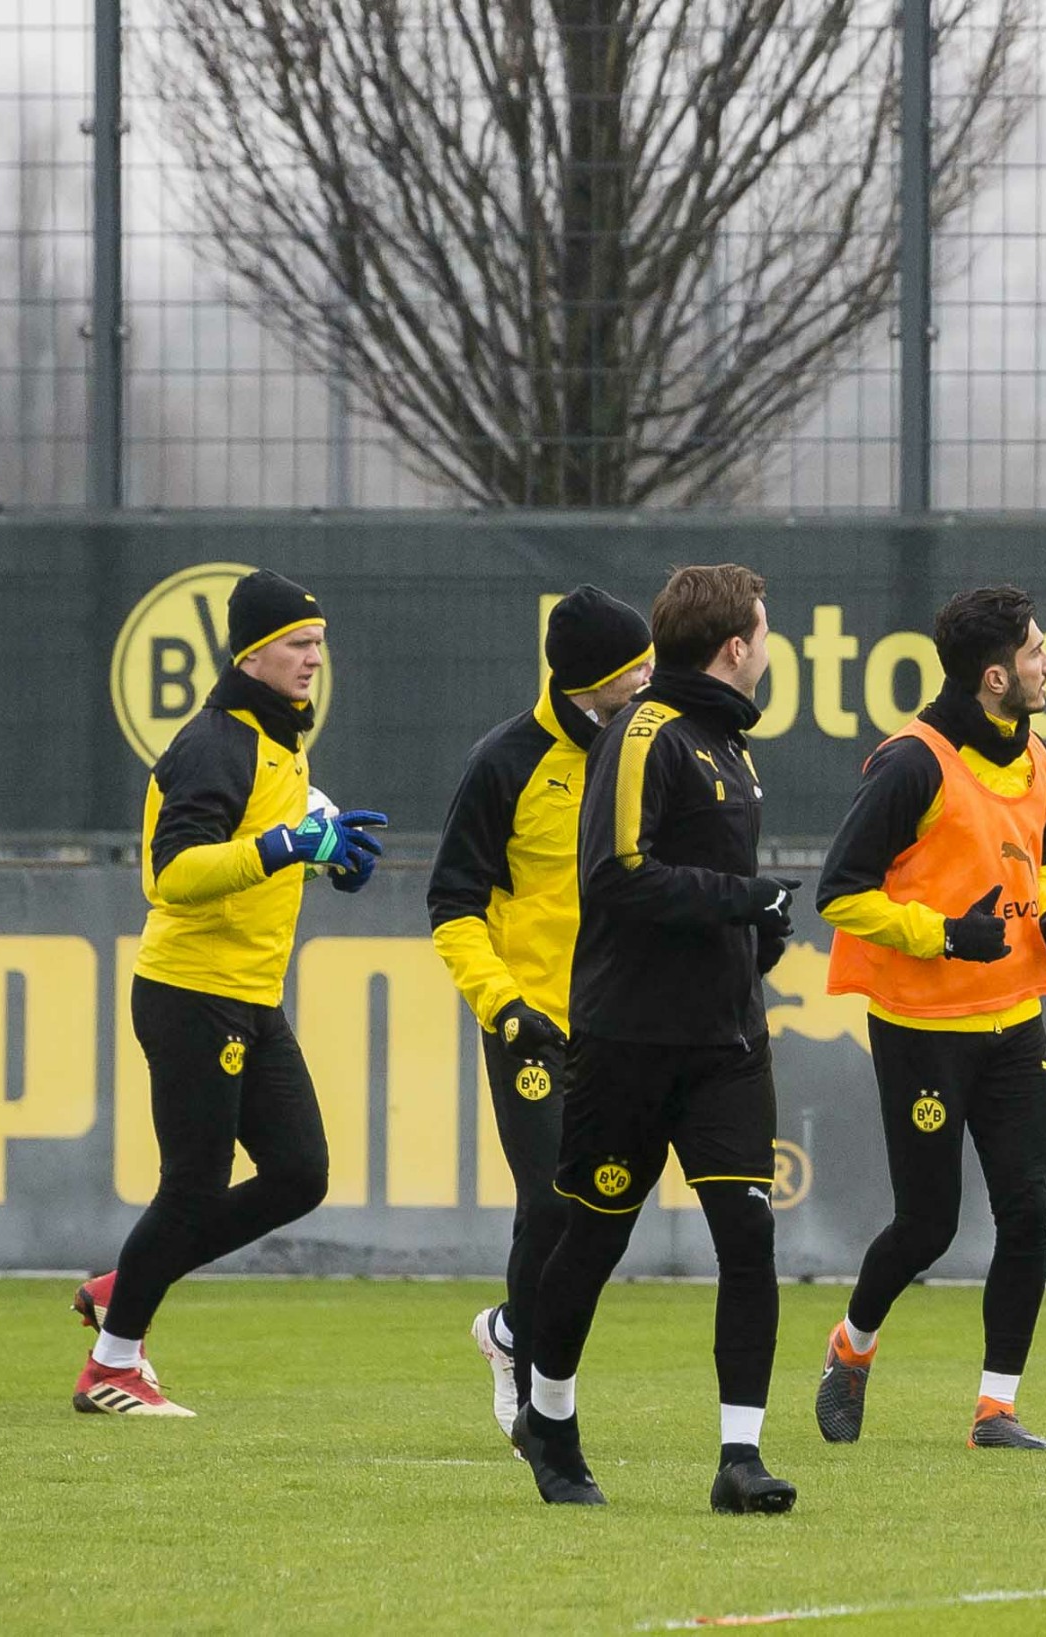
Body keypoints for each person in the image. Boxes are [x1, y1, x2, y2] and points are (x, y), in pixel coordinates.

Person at [513, 564, 800, 1513]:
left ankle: (740, 1458)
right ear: (735, 646)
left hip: (726, 1043)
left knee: (747, 1234)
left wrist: (757, 935)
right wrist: (744, 898)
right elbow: (618, 874)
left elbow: (709, 889)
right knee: (591, 1239)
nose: (771, 648)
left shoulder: (729, 744)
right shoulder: (646, 733)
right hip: (627, 1042)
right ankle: (550, 1422)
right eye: (765, 632)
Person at [69, 570, 385, 1417]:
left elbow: (256, 852)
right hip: (190, 989)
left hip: (248, 993)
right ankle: (112, 1364)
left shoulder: (277, 739)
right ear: (250, 655)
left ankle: (126, 1284)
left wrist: (323, 858)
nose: (313, 657)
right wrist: (286, 845)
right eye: (297, 644)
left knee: (300, 1172)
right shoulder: (218, 741)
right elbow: (171, 874)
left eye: (319, 642)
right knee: (194, 1187)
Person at [811, 585, 1046, 1454]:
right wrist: (942, 935)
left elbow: (1034, 862)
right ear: (995, 676)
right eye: (1038, 651)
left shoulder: (1038, 758)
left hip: (1015, 1024)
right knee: (927, 1226)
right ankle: (852, 1345)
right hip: (922, 1028)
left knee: (1028, 1214)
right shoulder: (911, 763)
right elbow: (839, 893)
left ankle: (995, 1410)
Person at [427, 586, 654, 1444]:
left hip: (622, 1024)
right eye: (635, 671)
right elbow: (452, 905)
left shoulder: (653, 752)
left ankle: (511, 1330)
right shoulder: (504, 762)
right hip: (533, 1024)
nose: (648, 683)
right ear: (589, 679)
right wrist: (505, 1002)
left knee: (591, 1208)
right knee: (554, 1201)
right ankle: (535, 1398)